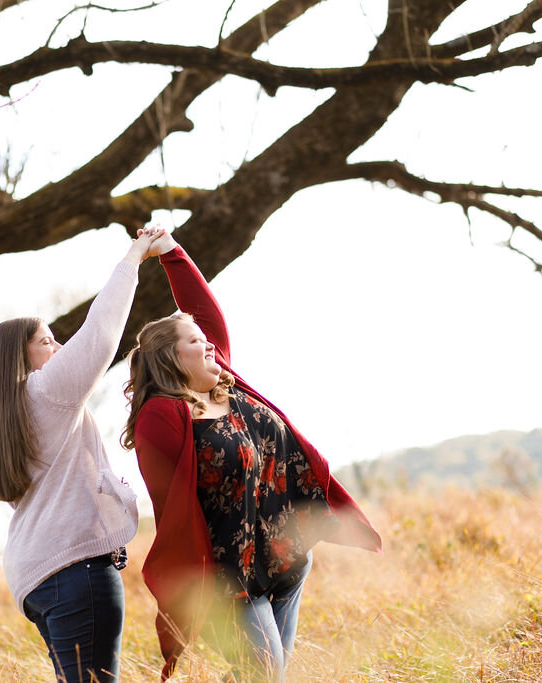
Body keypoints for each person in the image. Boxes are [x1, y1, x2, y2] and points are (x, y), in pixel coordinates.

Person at [122, 231, 382, 681]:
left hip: (287, 557)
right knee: (266, 673)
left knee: (260, 675)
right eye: (193, 342)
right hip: (229, 579)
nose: (208, 346)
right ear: (169, 360)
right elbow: (175, 511)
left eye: (206, 341)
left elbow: (206, 313)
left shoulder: (227, 382)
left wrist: (171, 252)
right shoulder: (164, 416)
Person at [0, 228, 164, 683]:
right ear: (19, 359)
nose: (59, 348)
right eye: (47, 341)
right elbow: (99, 336)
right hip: (72, 573)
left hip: (37, 577)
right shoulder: (44, 392)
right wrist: (134, 256)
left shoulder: (7, 418)